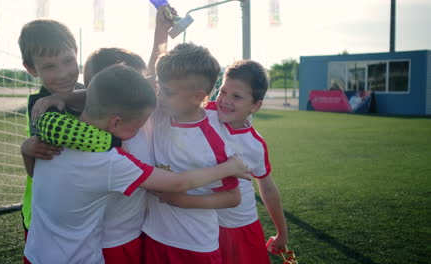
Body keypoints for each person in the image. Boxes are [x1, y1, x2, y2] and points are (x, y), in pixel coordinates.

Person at [23, 64, 250, 264]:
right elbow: (180, 182)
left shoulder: (47, 140)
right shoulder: (109, 162)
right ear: (116, 122)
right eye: (138, 125)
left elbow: (35, 174)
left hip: (33, 254)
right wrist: (228, 168)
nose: (139, 131)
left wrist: (25, 149)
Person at [155, 60, 289, 264]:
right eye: (223, 91)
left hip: (240, 225)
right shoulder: (203, 112)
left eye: (237, 97)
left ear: (255, 106)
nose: (225, 100)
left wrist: (281, 232)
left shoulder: (255, 144)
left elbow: (267, 188)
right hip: (203, 225)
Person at [139, 42, 242, 264]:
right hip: (153, 235)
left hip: (195, 246)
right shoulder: (161, 112)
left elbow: (233, 197)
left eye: (166, 91)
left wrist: (183, 201)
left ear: (197, 97)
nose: (158, 95)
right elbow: (128, 86)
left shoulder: (212, 143)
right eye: (158, 87)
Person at [17, 18, 84, 239]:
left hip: (81, 211)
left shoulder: (88, 90)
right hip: (45, 215)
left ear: (76, 52)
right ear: (30, 69)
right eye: (49, 66)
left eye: (68, 60)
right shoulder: (41, 104)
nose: (63, 73)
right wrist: (26, 149)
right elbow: (38, 170)